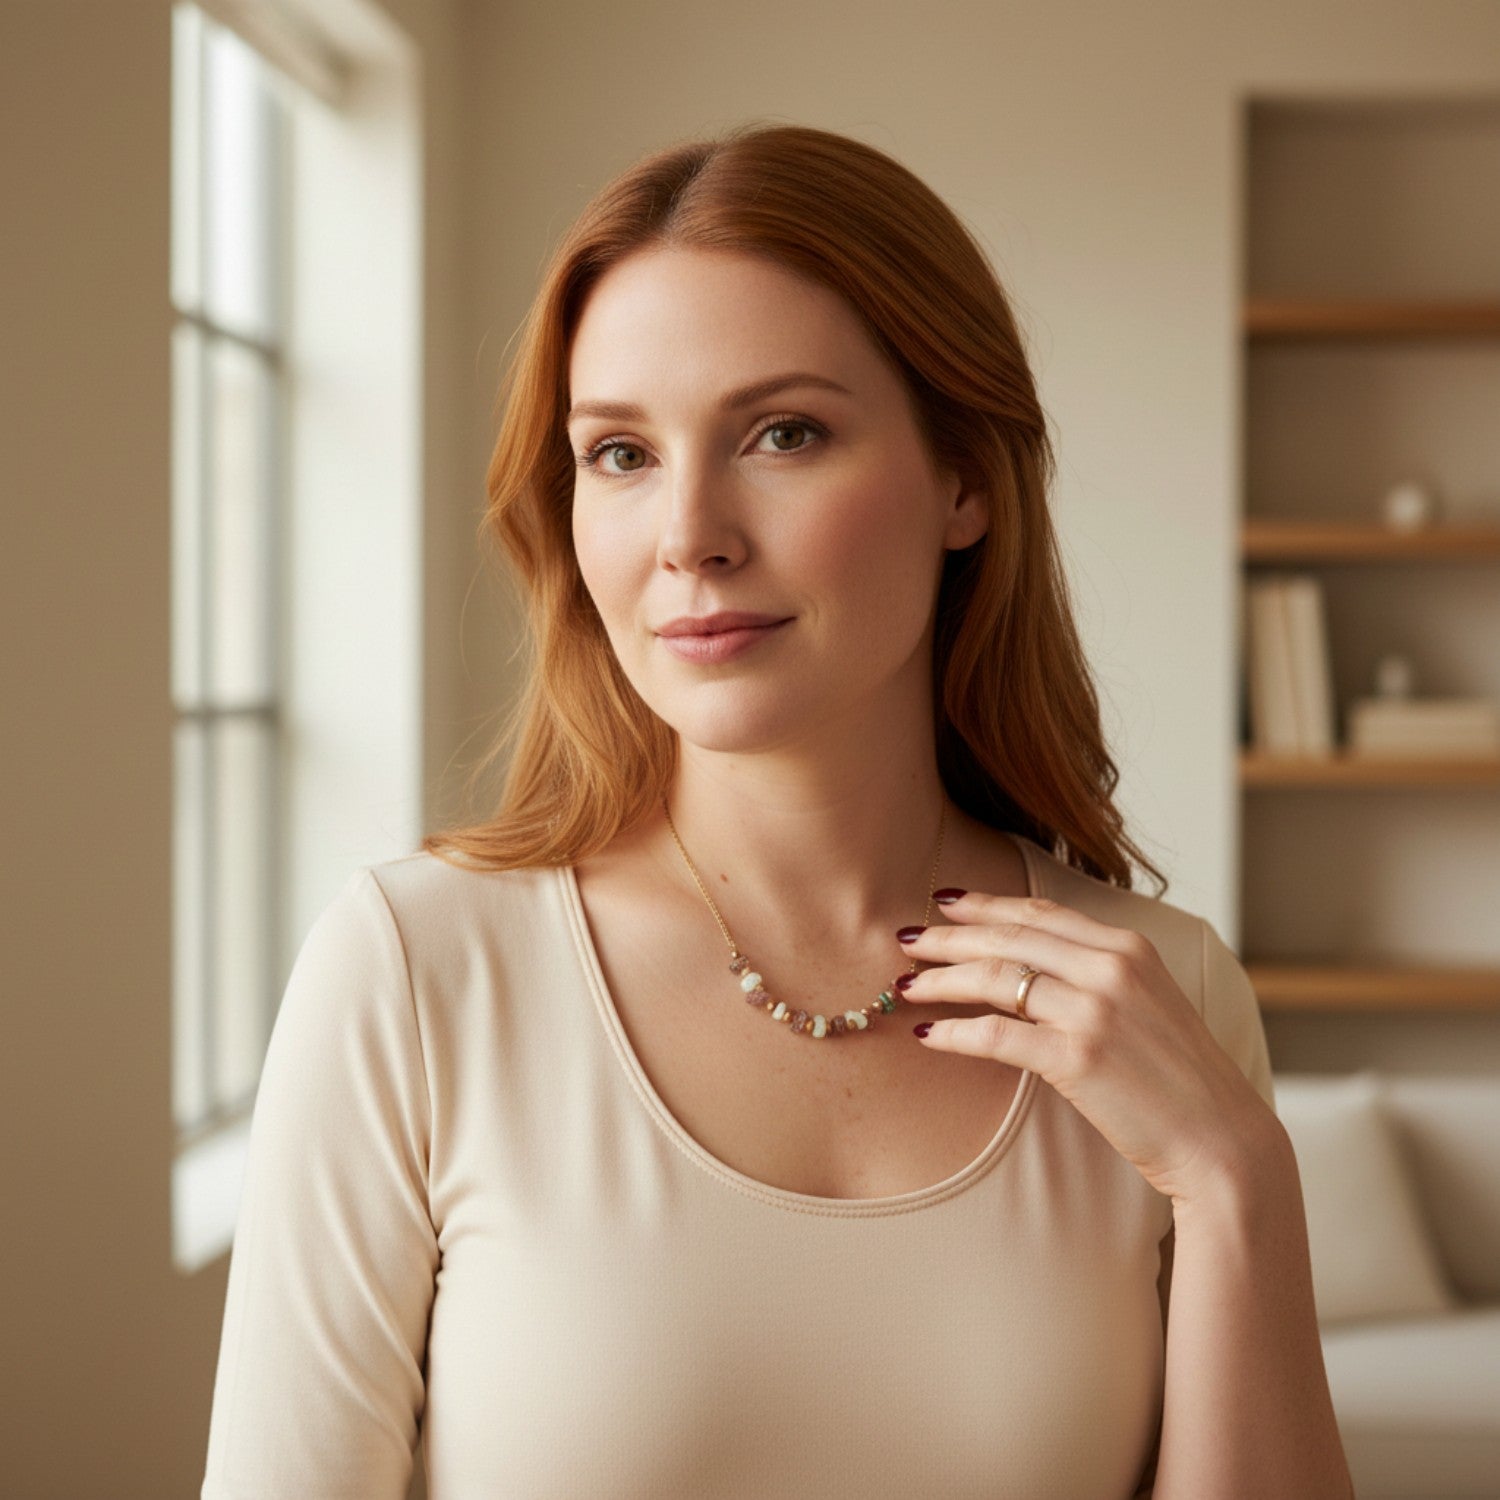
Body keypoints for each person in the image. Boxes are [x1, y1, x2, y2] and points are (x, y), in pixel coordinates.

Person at [200, 121, 1353, 1500]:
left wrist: (1238, 1184)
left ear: (964, 480)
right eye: (620, 454)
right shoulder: (416, 975)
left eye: (782, 433)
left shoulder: (1167, 994)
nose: (690, 531)